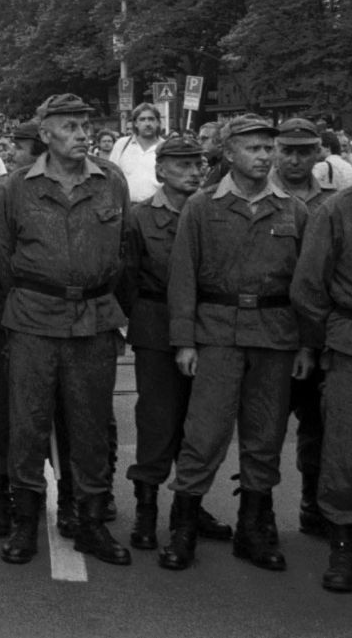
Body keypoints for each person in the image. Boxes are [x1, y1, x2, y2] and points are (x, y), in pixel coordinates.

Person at [157, 116, 311, 573]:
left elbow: (305, 284)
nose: (264, 156)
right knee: (204, 434)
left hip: (276, 335)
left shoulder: (293, 210)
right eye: (254, 148)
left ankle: (253, 529)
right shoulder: (202, 207)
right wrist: (184, 341)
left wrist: (306, 345)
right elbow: (182, 277)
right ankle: (183, 526)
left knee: (265, 437)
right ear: (228, 154)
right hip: (218, 333)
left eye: (269, 148)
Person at [0, 94, 130, 568]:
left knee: (90, 425)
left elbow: (122, 250)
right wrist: (43, 291)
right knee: (27, 423)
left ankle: (89, 520)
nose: (81, 134)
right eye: (68, 127)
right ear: (45, 134)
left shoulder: (111, 181)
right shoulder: (13, 189)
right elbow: (2, 259)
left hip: (93, 319)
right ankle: (25, 521)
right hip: (33, 318)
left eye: (84, 126)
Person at [121, 134, 231, 553]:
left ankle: (191, 505)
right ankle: (146, 509)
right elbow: (127, 276)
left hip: (211, 327)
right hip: (156, 327)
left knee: (201, 424)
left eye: (198, 163)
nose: (193, 171)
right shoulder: (140, 217)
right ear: (160, 170)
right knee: (157, 419)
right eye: (182, 164)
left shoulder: (216, 212)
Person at [0, 120, 44, 538]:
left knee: (51, 412)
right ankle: (1, 496)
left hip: (51, 320)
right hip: (4, 316)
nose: (14, 155)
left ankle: (58, 495)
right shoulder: (3, 194)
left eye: (21, 147)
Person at [291, 173, 352, 592]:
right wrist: (322, 339)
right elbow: (308, 286)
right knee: (345, 450)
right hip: (351, 345)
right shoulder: (338, 209)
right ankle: (343, 542)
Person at [276, 117, 341, 537]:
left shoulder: (335, 202)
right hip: (273, 328)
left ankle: (313, 502)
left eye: (306, 150)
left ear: (320, 152)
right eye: (288, 150)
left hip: (320, 332)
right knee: (263, 425)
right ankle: (256, 508)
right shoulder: (257, 196)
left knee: (321, 425)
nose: (296, 158)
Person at [110, 103, 166, 203]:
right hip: (126, 208)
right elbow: (111, 177)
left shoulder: (166, 147)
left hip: (158, 209)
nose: (147, 123)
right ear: (135, 123)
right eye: (142, 119)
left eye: (151, 119)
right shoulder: (122, 145)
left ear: (158, 122)